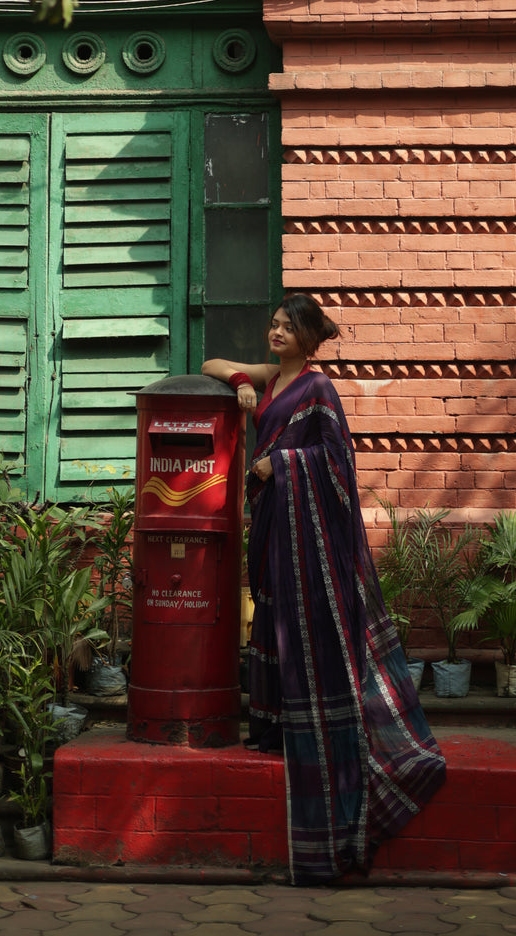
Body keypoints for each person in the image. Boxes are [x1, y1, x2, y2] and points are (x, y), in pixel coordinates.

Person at [203, 292, 446, 884]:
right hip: (271, 528)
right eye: (274, 323)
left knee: (306, 625)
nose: (276, 331)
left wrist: (279, 463)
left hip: (305, 537)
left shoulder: (318, 388)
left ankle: (323, 729)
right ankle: (277, 726)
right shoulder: (268, 379)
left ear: (308, 339)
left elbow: (335, 460)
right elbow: (210, 363)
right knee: (272, 617)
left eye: (288, 327)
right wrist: (239, 381)